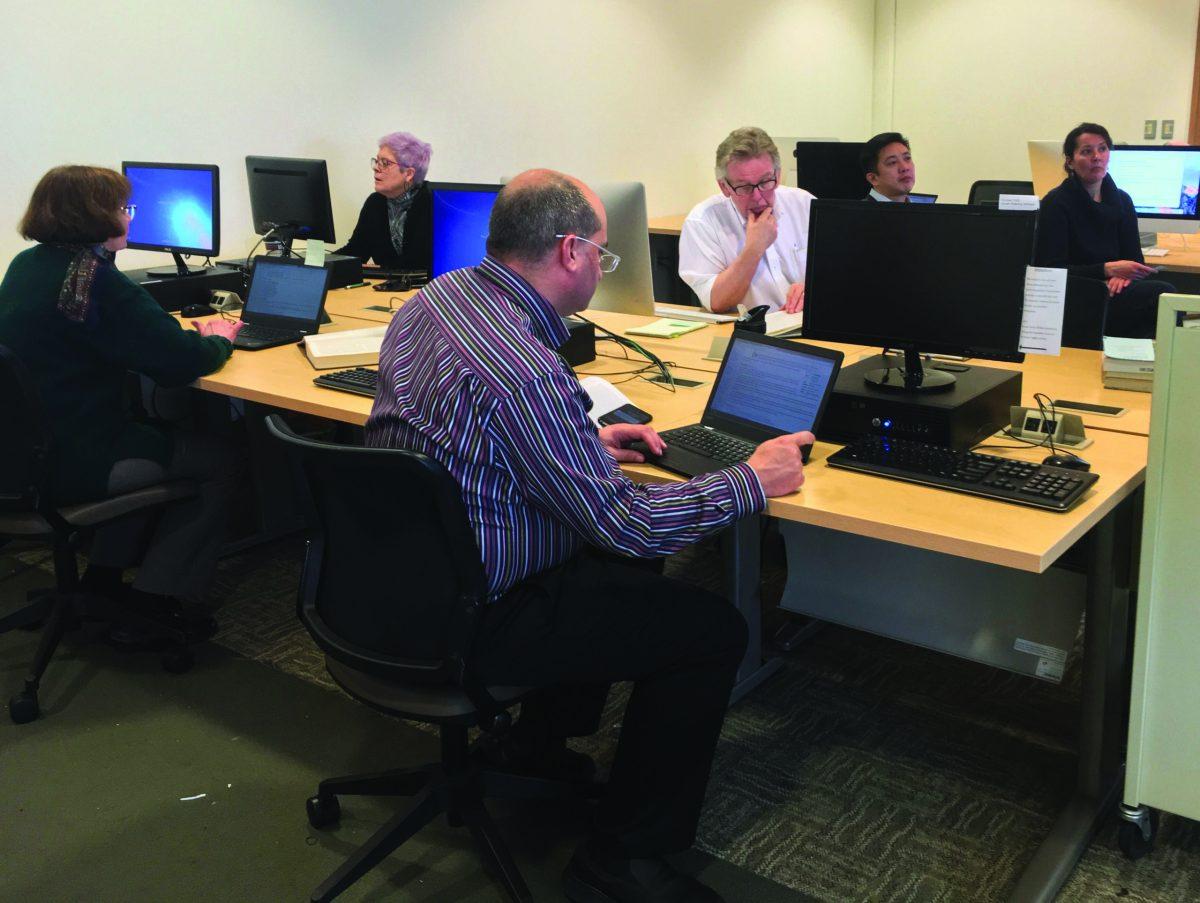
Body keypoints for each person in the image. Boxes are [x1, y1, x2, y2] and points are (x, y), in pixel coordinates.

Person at [366, 168, 813, 903]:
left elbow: (454, 435)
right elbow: (629, 524)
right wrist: (752, 479)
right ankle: (623, 860)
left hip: (399, 574)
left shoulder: (434, 302)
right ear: (569, 251)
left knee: (610, 563)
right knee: (709, 629)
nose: (602, 270)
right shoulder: (524, 368)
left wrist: (581, 442)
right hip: (478, 610)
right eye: (602, 256)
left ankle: (535, 746)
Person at [0, 165, 244, 626]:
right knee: (220, 460)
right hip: (74, 461)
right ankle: (159, 600)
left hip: (17, 459)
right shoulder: (94, 281)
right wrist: (220, 338)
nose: (129, 218)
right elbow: (180, 362)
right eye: (123, 208)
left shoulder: (25, 266)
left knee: (150, 432)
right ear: (96, 216)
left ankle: (104, 579)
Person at [1035, 122, 1175, 339]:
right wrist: (1107, 270)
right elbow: (1051, 270)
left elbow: (1134, 258)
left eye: (1102, 149)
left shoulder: (1122, 200)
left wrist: (1124, 277)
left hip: (1114, 288)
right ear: (1070, 162)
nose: (1097, 156)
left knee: (1165, 296)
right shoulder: (1056, 203)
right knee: (1161, 295)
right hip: (1076, 291)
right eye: (1086, 151)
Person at [678, 127, 813, 315]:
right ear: (724, 187)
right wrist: (754, 249)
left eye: (766, 182)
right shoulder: (703, 221)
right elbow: (716, 302)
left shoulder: (804, 204)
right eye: (744, 187)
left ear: (778, 175)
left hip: (810, 326)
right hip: (750, 333)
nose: (758, 197)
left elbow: (841, 270)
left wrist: (813, 289)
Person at [335, 131, 433, 271]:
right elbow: (356, 251)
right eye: (377, 161)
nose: (376, 168)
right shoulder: (375, 203)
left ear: (409, 173)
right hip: (386, 291)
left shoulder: (432, 203)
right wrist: (315, 263)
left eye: (385, 163)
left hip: (427, 290)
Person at [861, 132, 917, 202]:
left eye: (907, 158)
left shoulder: (923, 211)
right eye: (892, 162)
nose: (905, 168)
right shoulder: (858, 212)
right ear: (873, 178)